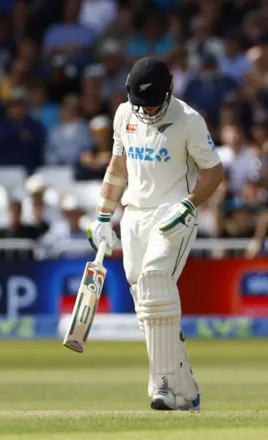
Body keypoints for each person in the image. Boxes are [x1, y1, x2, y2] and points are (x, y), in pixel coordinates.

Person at [85, 57, 224, 411]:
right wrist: (104, 215)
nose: (146, 110)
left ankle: (161, 385)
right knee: (147, 306)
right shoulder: (123, 114)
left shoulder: (190, 120)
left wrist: (191, 204)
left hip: (174, 214)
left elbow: (214, 172)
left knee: (155, 280)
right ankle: (186, 389)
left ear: (171, 88)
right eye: (140, 103)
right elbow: (118, 165)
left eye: (153, 102)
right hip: (134, 215)